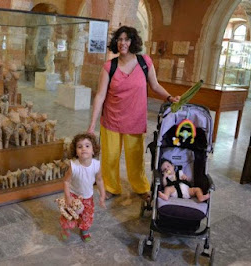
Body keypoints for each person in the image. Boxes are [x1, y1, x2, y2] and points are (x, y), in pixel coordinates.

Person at [87, 26, 180, 200]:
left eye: (126, 39)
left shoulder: (145, 62)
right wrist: (92, 124)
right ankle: (110, 186)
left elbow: (155, 85)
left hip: (135, 119)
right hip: (111, 119)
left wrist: (169, 97)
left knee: (135, 157)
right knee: (110, 157)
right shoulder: (109, 66)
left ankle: (140, 187)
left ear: (133, 42)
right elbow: (100, 95)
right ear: (116, 42)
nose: (123, 43)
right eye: (120, 39)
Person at [60, 133, 106, 242]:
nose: (83, 149)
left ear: (93, 150)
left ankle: (84, 230)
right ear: (76, 151)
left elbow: (99, 180)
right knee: (69, 214)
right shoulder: (74, 166)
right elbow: (66, 181)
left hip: (88, 197)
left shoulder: (96, 165)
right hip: (73, 195)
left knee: (87, 215)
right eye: (79, 147)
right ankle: (66, 229)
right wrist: (67, 197)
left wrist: (102, 195)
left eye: (87, 146)